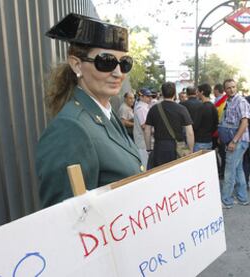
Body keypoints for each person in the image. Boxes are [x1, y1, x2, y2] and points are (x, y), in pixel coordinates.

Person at [36, 13, 142, 208]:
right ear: (77, 64)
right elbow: (67, 224)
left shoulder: (105, 114)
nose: (118, 73)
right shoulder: (70, 130)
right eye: (106, 62)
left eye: (125, 63)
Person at [144, 82, 194, 167]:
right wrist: (190, 150)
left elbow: (147, 131)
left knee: (160, 174)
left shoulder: (154, 109)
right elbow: (190, 133)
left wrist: (148, 149)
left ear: (162, 93)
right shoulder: (182, 109)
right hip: (178, 147)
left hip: (159, 147)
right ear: (174, 94)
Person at [219, 79, 250, 208]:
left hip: (238, 141)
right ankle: (242, 198)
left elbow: (244, 123)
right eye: (228, 88)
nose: (231, 89)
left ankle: (226, 201)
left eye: (233, 87)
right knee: (238, 170)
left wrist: (234, 141)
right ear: (225, 90)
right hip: (236, 140)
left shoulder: (241, 101)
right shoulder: (230, 101)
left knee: (229, 172)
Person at [194, 83, 218, 151]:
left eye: (198, 91)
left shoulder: (200, 107)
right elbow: (216, 123)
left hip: (199, 141)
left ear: (202, 92)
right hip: (209, 140)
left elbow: (195, 126)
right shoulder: (213, 106)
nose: (197, 94)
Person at [133, 88, 153, 167]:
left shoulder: (144, 106)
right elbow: (144, 126)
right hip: (143, 141)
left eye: (150, 96)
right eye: (147, 96)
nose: (150, 98)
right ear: (141, 97)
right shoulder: (141, 108)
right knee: (145, 165)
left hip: (144, 140)